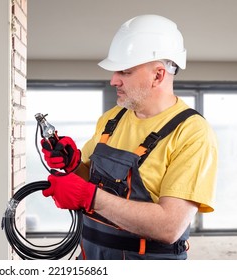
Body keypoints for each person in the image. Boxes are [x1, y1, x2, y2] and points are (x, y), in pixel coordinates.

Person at [40, 14, 218, 260]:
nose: (114, 80)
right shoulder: (113, 119)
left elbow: (170, 226)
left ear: (158, 75)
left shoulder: (192, 132)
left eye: (125, 71)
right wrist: (73, 166)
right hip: (90, 257)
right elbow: (92, 183)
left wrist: (89, 197)